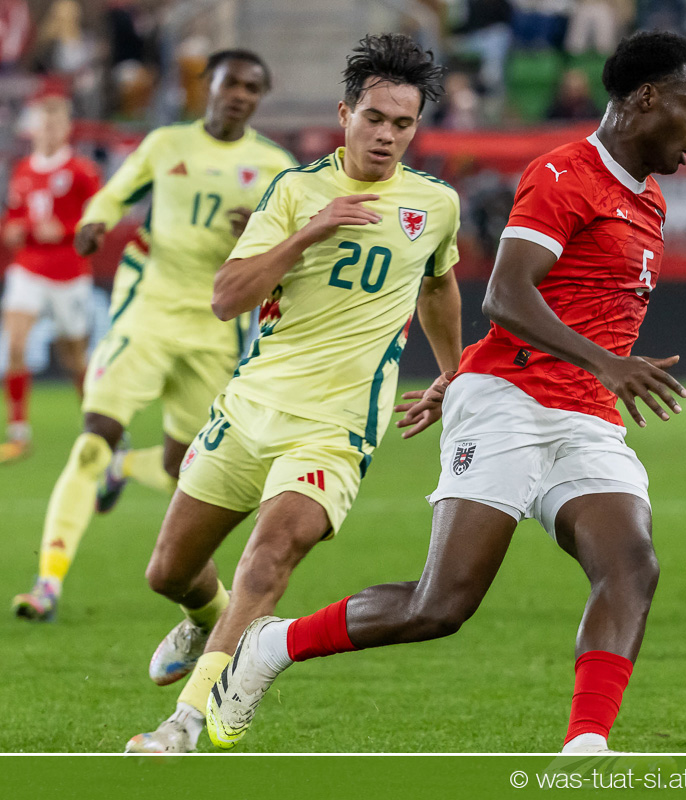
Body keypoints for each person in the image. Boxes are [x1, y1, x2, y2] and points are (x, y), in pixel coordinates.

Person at [206, 29, 686, 754]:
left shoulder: (649, 200)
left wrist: (572, 371)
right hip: (510, 402)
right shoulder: (564, 175)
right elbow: (506, 295)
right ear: (647, 99)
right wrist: (605, 364)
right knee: (440, 606)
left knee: (632, 567)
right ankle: (272, 645)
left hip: (586, 416)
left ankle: (586, 746)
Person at [124, 33, 463, 755]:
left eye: (403, 124)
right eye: (375, 118)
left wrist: (452, 372)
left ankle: (185, 721)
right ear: (345, 114)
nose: (387, 135)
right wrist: (312, 231)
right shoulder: (294, 191)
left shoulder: (435, 205)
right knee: (168, 571)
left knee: (268, 557)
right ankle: (205, 618)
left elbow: (438, 286)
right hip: (249, 409)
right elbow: (227, 298)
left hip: (334, 429)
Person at [11, 49, 296, 623]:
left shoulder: (275, 167)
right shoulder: (167, 145)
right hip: (147, 315)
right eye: (231, 83)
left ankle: (123, 469)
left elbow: (296, 250)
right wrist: (95, 221)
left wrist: (263, 234)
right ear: (206, 85)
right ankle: (47, 584)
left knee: (178, 470)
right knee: (94, 438)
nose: (240, 95)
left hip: (214, 332)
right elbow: (115, 193)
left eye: (252, 88)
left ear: (260, 98)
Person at [0, 83, 101, 462]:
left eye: (56, 124)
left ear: (67, 128)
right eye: (44, 123)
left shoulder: (81, 171)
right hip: (27, 268)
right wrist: (12, 230)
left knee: (74, 356)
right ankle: (18, 432)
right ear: (34, 128)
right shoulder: (23, 169)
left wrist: (67, 231)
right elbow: (14, 216)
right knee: (14, 344)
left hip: (69, 273)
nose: (49, 130)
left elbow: (99, 221)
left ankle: (96, 426)